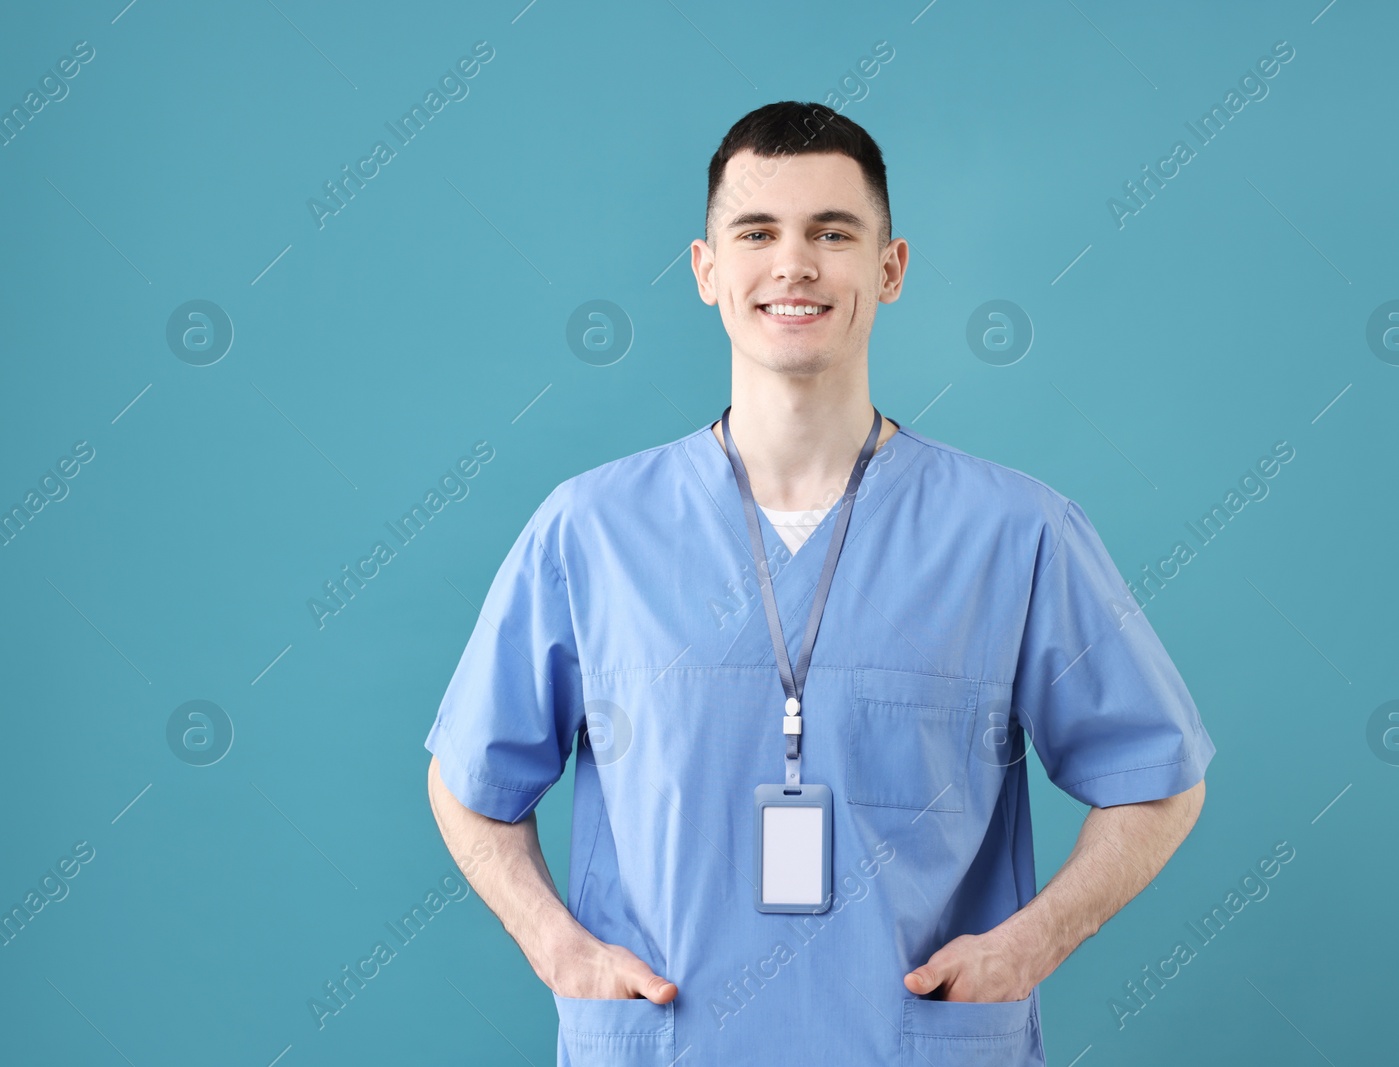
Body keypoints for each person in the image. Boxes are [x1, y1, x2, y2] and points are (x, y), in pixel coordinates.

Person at [424, 100, 1215, 1066]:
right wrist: (557, 947)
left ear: (890, 269)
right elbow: (468, 781)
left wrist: (1030, 945)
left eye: (832, 233)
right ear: (707, 270)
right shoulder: (589, 532)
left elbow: (1158, 780)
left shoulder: (1015, 532)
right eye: (756, 233)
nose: (793, 264)